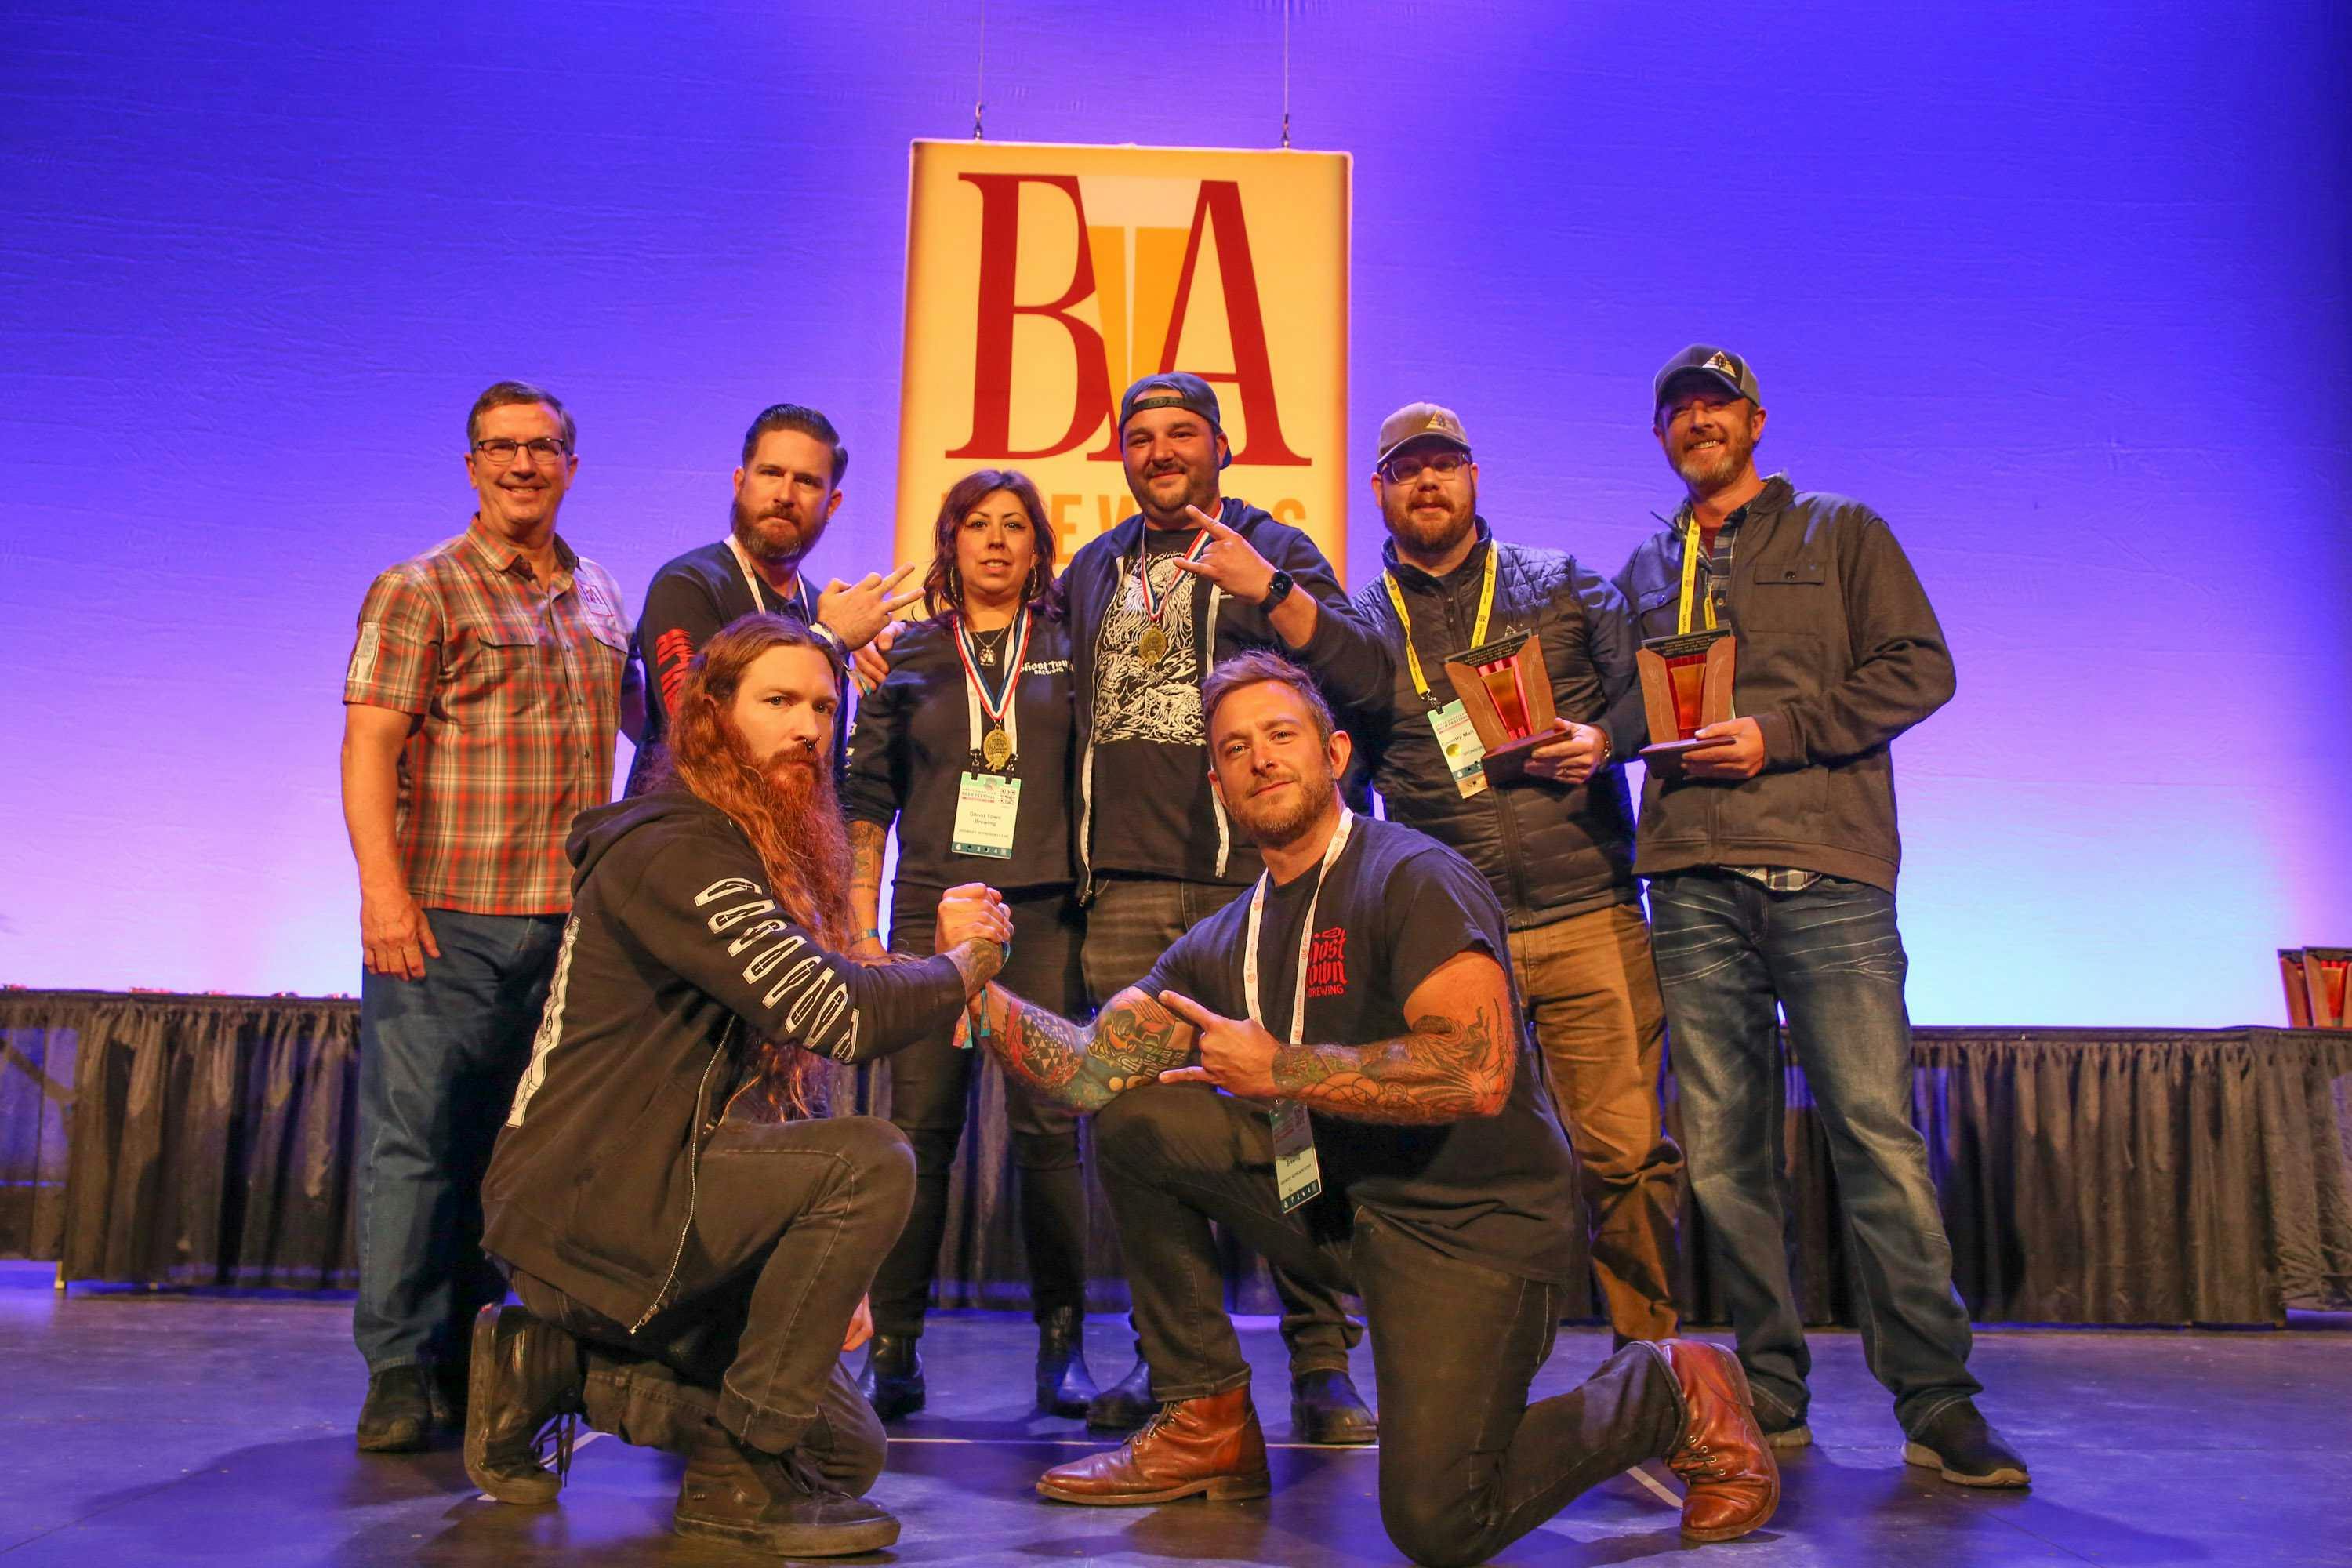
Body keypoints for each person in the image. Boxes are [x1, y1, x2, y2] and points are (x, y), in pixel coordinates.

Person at [951, 652, 1777, 1565]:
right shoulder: (1228, 936)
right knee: (1139, 1120)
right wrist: (966, 985)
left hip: (1476, 1232)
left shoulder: (1415, 874)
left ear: (1334, 752)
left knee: (1440, 1521)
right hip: (1346, 1213)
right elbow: (1086, 1074)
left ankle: (1669, 1385)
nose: (1261, 759)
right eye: (1235, 748)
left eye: (1281, 736)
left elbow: (1479, 1071)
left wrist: (1285, 1070)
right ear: (1218, 784)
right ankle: (1206, 1417)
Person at [467, 614, 1016, 1557]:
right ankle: (732, 1477)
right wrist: (963, 964)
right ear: (711, 716)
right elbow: (839, 1013)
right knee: (868, 1162)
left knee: (845, 1451)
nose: (808, 726)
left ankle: (556, 1368)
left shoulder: (748, 846)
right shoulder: (675, 847)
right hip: (594, 1200)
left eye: (821, 707)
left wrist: (811, 1254)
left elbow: (768, 1078)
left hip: (670, 1186)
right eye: (778, 702)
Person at [1615, 344, 2028, 1486]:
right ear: (1662, 438)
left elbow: (1921, 667)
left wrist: (1779, 735)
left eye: (1717, 405)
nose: (1699, 422)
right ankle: (1770, 1400)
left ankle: (1937, 1400)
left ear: (1755, 420)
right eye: (1678, 412)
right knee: (1722, 1161)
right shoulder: (1652, 564)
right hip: (1692, 881)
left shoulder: (1842, 530)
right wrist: (1595, 740)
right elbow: (1627, 695)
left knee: (1876, 1142)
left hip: (1827, 875)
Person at [1058, 371, 1396, 1441]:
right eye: (1142, 437)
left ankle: (1320, 1362)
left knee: (1289, 1117)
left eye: (1183, 435)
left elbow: (1370, 676)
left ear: (1222, 448)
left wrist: (1271, 591)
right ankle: (1184, 1374)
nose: (1162, 452)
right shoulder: (1094, 568)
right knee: (1133, 1127)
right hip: (1122, 888)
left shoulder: (1272, 548)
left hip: (1257, 884)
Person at [1348, 401, 1683, 1345]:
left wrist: (1607, 735)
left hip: (1588, 912)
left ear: (1475, 477)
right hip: (1453, 940)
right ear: (1379, 490)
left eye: (1444, 463)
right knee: (1458, 1169)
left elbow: (1653, 686)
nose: (1427, 481)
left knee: (1622, 1156)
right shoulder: (1359, 625)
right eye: (1407, 467)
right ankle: (1472, 1374)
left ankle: (1648, 1364)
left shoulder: (1564, 585)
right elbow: (1349, 778)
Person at [339, 379, 630, 1451]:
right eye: (501, 449)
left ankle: (483, 1354)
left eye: (543, 447)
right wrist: (382, 892)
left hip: (568, 930)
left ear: (571, 463)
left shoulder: (600, 594)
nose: (522, 465)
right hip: (444, 918)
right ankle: (402, 1370)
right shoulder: (418, 589)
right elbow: (369, 741)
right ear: (471, 467)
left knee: (520, 1158)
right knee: (416, 1149)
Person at [840, 470, 1097, 1420]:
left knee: (1048, 1135)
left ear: (1039, 546)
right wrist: (861, 925)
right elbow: (867, 800)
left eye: (1015, 526)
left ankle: (1062, 1345)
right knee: (921, 1135)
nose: (996, 541)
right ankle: (896, 1350)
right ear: (950, 544)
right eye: (977, 526)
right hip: (925, 918)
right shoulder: (905, 652)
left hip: (1043, 915)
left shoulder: (1073, 649)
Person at [625, 403, 920, 793]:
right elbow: (696, 731)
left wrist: (881, 649)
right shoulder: (687, 584)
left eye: (807, 482)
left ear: (832, 504)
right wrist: (830, 639)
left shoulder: (820, 609)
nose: (785, 494)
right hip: (692, 840)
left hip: (790, 844)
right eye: (770, 473)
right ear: (739, 481)